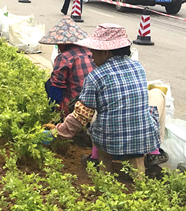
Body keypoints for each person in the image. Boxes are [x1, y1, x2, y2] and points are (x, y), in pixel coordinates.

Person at [49, 24, 167, 176]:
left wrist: (56, 133)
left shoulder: (95, 76)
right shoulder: (138, 67)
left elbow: (80, 117)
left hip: (109, 142)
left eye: (93, 52)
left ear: (105, 52)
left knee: (96, 114)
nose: (91, 56)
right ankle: (150, 159)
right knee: (156, 94)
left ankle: (101, 166)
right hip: (142, 141)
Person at [40, 19, 95, 116]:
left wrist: (53, 109)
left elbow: (56, 87)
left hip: (75, 107)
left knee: (50, 84)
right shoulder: (91, 52)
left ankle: (59, 115)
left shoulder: (64, 58)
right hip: (93, 105)